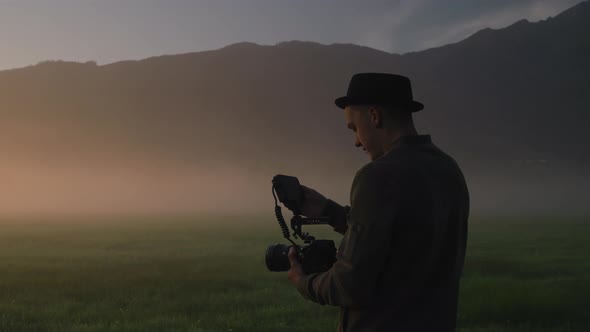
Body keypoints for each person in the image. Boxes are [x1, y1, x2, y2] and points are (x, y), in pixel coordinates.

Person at [286, 73, 470, 332]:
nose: (356, 141)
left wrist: (303, 282)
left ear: (374, 116)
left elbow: (350, 284)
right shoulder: (449, 169)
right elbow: (402, 237)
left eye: (354, 128)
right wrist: (329, 211)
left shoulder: (378, 176)